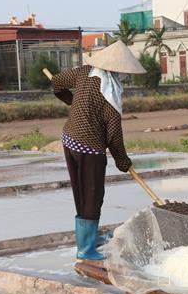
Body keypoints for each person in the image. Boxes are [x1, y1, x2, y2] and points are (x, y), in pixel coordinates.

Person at [50, 41, 146, 262]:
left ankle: (89, 238)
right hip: (89, 149)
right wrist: (123, 162)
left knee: (81, 194)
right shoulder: (110, 96)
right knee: (93, 197)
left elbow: (56, 82)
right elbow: (113, 137)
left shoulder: (84, 72)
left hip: (69, 140)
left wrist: (72, 102)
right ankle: (86, 250)